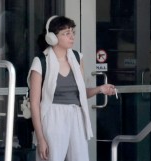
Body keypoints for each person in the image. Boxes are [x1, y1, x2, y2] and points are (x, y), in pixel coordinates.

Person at [28, 15, 116, 161]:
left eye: (72, 32)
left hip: (76, 115)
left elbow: (81, 93)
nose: (72, 36)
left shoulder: (76, 58)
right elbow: (35, 103)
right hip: (53, 117)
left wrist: (100, 89)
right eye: (66, 33)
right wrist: (40, 138)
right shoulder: (41, 62)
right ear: (52, 38)